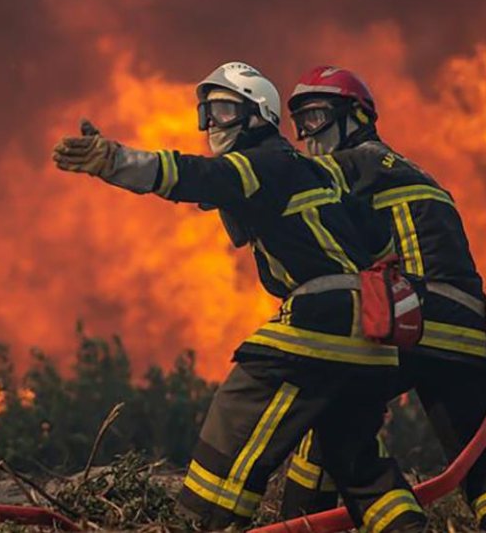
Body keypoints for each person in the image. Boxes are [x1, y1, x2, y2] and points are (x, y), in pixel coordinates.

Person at [53, 62, 427, 532]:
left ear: (259, 116)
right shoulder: (314, 171)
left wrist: (113, 160)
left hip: (324, 317)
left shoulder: (262, 161)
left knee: (235, 415)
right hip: (373, 335)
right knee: (352, 456)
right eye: (206, 113)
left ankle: (202, 524)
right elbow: (377, 243)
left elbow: (193, 177)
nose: (212, 125)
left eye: (226, 110)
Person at [281, 65, 486, 530]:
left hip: (416, 322)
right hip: (467, 331)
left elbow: (288, 182)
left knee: (333, 410)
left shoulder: (354, 163)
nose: (307, 134)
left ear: (356, 117)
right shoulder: (410, 169)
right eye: (299, 123)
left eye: (317, 117)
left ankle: (360, 519)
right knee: (474, 457)